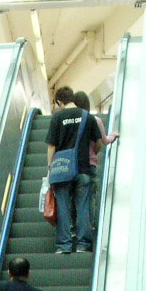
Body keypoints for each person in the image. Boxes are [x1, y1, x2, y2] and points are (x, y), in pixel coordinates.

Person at [45, 86, 103, 254]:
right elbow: (98, 142)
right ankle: (83, 244)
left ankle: (64, 244)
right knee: (83, 206)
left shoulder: (57, 117)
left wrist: (50, 168)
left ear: (59, 102)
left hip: (62, 169)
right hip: (83, 168)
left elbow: (51, 146)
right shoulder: (87, 117)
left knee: (63, 206)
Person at [72, 91, 119, 228]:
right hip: (89, 164)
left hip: (73, 165)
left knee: (73, 195)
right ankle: (89, 225)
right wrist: (113, 135)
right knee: (89, 195)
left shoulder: (73, 122)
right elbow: (103, 141)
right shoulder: (95, 121)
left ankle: (73, 227)